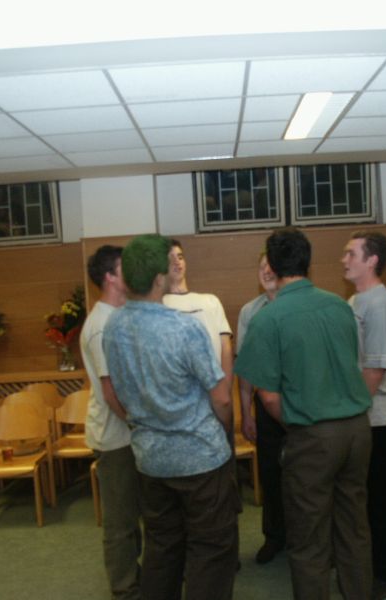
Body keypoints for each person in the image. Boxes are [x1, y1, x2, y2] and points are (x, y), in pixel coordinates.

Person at [234, 227, 373, 600]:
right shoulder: (339, 306)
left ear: (272, 265)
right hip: (358, 431)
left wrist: (299, 425)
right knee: (354, 528)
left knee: (309, 538)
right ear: (307, 262)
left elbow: (268, 398)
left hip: (314, 435)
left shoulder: (268, 318)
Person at [102, 234, 239, 600]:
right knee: (210, 551)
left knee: (162, 548)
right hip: (200, 459)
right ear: (160, 279)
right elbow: (221, 397)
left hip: (150, 460)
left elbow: (118, 391)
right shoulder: (184, 327)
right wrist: (223, 430)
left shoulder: (113, 328)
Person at [342, 231, 386, 600]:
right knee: (365, 499)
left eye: (351, 254)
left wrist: (352, 414)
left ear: (372, 261)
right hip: (366, 416)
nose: (344, 260)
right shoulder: (357, 299)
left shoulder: (380, 305)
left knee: (381, 501)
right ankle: (371, 564)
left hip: (380, 417)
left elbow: (374, 371)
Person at [80, 244, 142, 600]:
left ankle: (137, 577)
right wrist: (140, 425)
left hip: (129, 433)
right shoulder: (101, 325)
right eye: (124, 267)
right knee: (120, 521)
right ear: (110, 277)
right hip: (115, 436)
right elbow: (111, 391)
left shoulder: (120, 315)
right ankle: (124, 589)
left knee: (135, 514)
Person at [235, 251, 286, 564]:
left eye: (272, 265)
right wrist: (246, 413)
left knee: (305, 474)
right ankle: (274, 536)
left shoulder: (295, 306)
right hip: (264, 406)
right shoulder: (249, 312)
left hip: (298, 401)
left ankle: (309, 538)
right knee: (270, 473)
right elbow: (244, 366)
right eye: (261, 266)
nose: (266, 271)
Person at [163, 239, 233, 388]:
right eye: (171, 258)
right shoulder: (159, 306)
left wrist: (225, 389)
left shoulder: (211, 300)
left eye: (180, 257)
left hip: (213, 389)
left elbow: (226, 347)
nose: (177, 262)